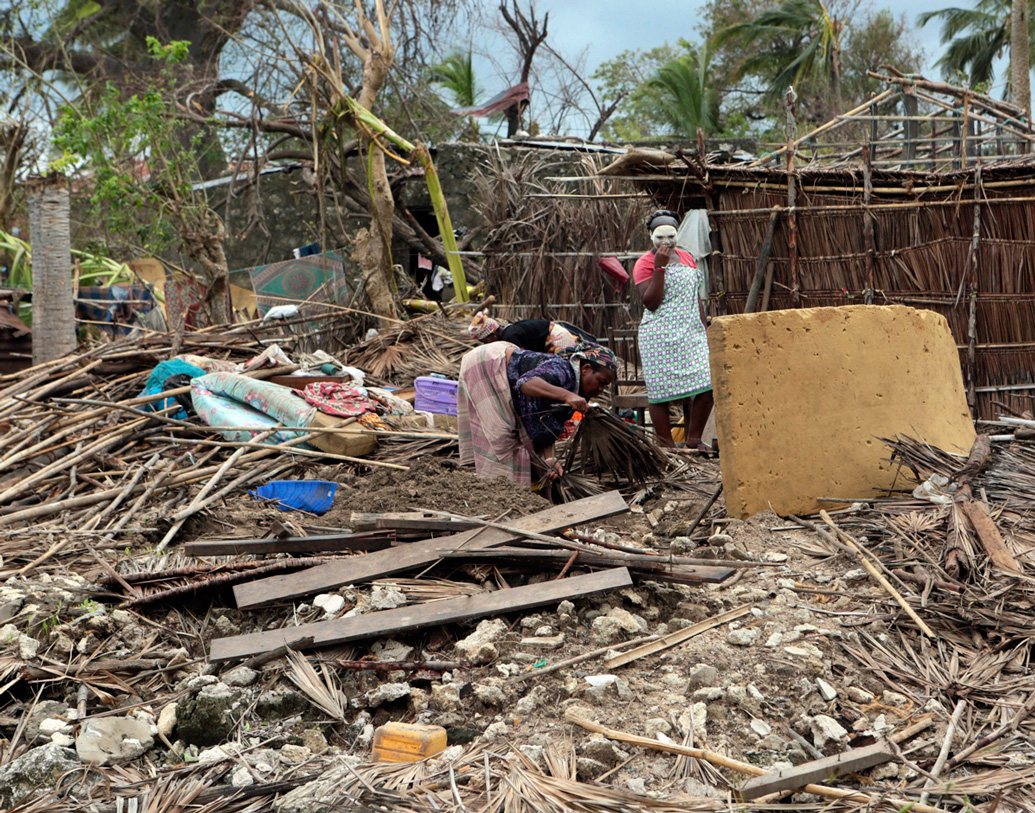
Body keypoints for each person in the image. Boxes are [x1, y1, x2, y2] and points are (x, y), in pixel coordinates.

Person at [458, 341, 617, 487]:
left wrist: (550, 459)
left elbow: (546, 423)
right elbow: (526, 382)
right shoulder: (562, 370)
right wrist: (567, 396)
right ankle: (498, 493)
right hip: (489, 363)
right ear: (586, 369)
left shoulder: (573, 390)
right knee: (503, 441)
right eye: (601, 382)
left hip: (502, 363)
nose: (601, 389)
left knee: (523, 443)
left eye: (605, 386)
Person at [633, 209, 714, 449]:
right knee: (660, 392)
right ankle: (667, 447)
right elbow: (650, 302)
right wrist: (660, 267)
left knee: (707, 384)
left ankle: (694, 438)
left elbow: (695, 297)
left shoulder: (688, 257)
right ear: (650, 236)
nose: (666, 242)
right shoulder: (644, 263)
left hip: (690, 334)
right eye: (660, 237)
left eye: (671, 235)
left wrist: (703, 329)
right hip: (659, 337)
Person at [468, 313, 596, 354]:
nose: (486, 344)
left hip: (557, 339)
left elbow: (524, 356)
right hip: (554, 335)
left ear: (493, 334)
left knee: (564, 367)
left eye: (485, 341)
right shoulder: (509, 331)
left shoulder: (509, 336)